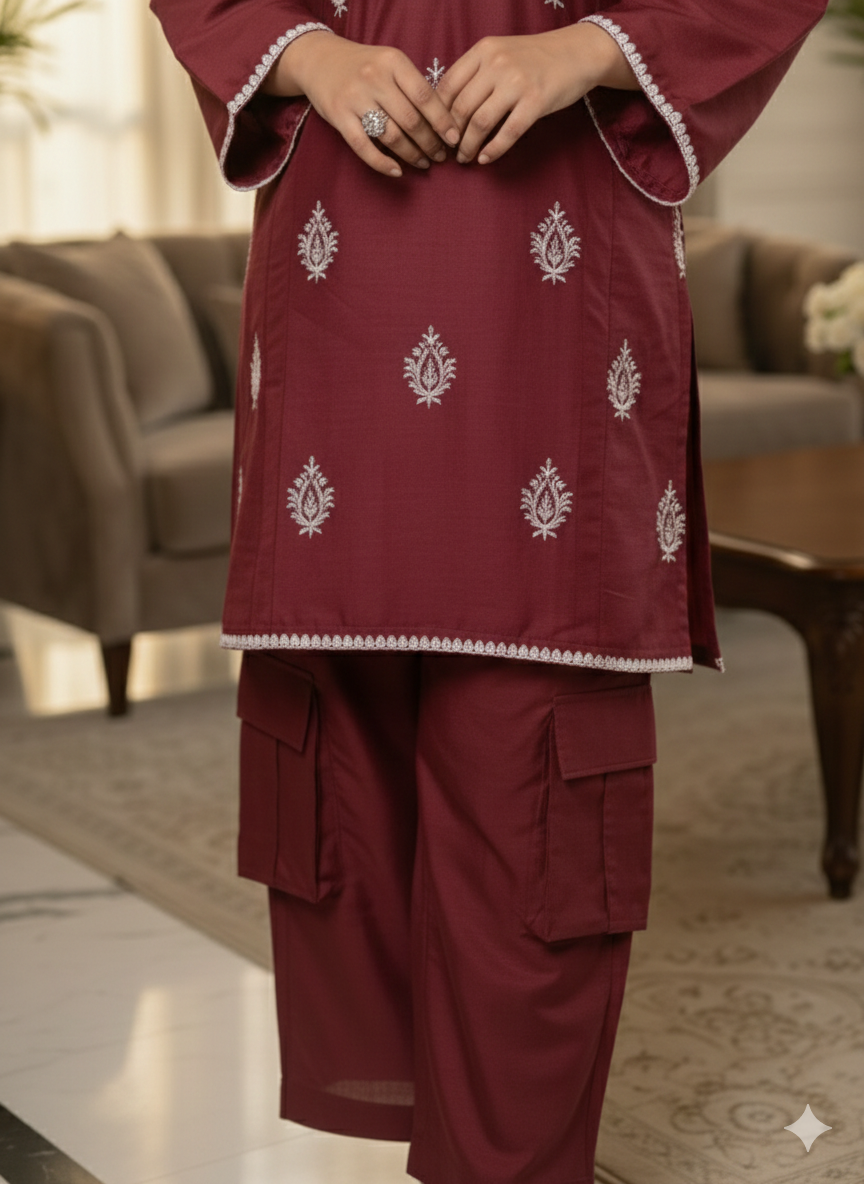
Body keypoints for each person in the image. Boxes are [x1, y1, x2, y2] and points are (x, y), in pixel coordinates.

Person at [150, 2, 828, 1181]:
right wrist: (311, 55)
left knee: (531, 778)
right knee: (350, 772)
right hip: (337, 282)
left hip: (554, 302)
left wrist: (585, 49)